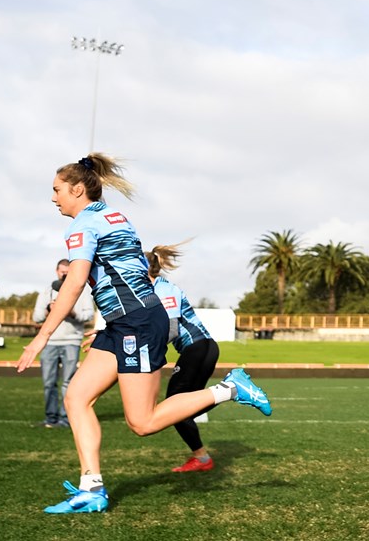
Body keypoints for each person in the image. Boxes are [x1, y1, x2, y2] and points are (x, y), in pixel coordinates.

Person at [15, 154, 273, 514]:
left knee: (143, 421)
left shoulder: (81, 226)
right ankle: (92, 489)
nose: (53, 198)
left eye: (57, 190)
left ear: (77, 189)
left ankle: (231, 388)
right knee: (76, 398)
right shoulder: (110, 215)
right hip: (126, 323)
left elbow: (75, 282)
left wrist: (41, 337)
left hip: (135, 323)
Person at [147, 242, 224, 474]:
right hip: (199, 349)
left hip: (198, 348)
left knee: (174, 406)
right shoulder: (152, 291)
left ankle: (230, 390)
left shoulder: (164, 289)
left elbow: (170, 330)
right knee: (181, 410)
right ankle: (202, 458)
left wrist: (148, 350)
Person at [33, 258, 94, 429]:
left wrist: (72, 313)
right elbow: (36, 317)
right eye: (62, 271)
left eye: (68, 271)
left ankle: (65, 418)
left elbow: (89, 315)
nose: (65, 274)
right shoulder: (46, 292)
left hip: (71, 341)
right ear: (56, 271)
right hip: (50, 342)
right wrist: (49, 310)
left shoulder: (82, 291)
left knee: (68, 382)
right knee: (48, 382)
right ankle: (50, 418)